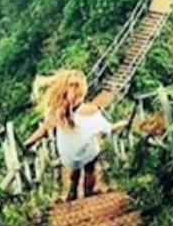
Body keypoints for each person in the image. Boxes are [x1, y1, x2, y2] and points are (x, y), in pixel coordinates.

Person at [23, 68, 126, 201]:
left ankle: (73, 188)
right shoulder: (90, 110)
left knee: (75, 158)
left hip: (69, 156)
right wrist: (122, 123)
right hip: (86, 152)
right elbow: (107, 128)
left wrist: (28, 143)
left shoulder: (58, 112)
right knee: (90, 162)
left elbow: (42, 131)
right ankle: (89, 193)